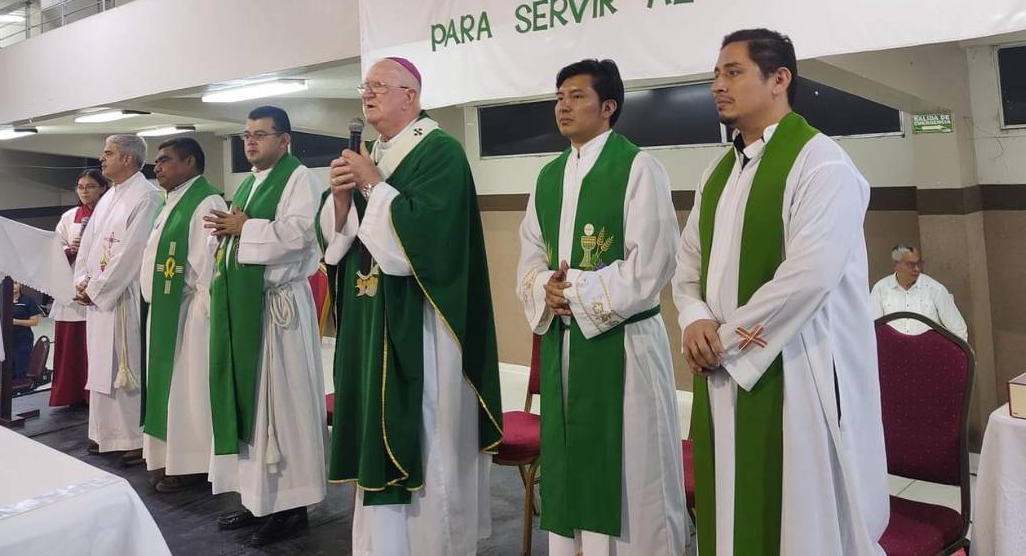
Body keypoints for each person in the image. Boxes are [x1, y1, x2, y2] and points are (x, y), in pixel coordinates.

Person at [672, 29, 889, 556]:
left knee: (799, 522)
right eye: (715, 75)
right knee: (729, 509)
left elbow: (808, 276)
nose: (717, 85)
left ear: (780, 79)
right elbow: (687, 265)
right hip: (724, 370)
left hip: (797, 372)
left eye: (733, 71)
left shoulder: (822, 163)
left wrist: (725, 339)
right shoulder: (718, 172)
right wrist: (694, 318)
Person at [320, 57, 502, 556]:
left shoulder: (439, 152)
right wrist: (340, 202)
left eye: (379, 86)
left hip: (420, 327)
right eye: (365, 87)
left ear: (411, 96)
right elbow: (340, 248)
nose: (368, 94)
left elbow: (421, 243)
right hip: (370, 320)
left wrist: (373, 185)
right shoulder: (372, 153)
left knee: (427, 439)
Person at [516, 59, 686, 556]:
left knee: (634, 476)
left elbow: (653, 262)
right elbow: (529, 257)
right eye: (559, 96)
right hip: (566, 347)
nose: (563, 106)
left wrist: (575, 292)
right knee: (573, 465)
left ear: (608, 107)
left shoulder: (638, 168)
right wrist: (545, 285)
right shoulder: (548, 177)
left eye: (577, 96)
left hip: (624, 347)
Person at [207, 106, 326, 547]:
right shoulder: (250, 182)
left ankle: (292, 506)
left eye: (260, 135)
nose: (250, 142)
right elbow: (242, 236)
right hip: (247, 306)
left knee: (284, 409)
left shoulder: (300, 179)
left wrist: (244, 227)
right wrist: (224, 233)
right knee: (255, 409)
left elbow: (300, 236)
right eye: (245, 135)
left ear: (285, 140)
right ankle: (259, 498)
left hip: (280, 313)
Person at [140, 137, 226, 491]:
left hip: (191, 316)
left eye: (166, 160)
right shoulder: (171, 200)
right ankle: (170, 458)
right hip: (166, 312)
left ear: (190, 162)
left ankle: (192, 464)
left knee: (190, 393)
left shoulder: (205, 200)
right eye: (157, 161)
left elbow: (210, 267)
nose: (157, 167)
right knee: (172, 392)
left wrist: (206, 318)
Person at [73, 134, 162, 466]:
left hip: (124, 296)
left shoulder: (147, 196)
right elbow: (88, 245)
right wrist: (82, 280)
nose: (102, 158)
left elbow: (134, 252)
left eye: (108, 153)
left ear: (128, 159)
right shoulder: (110, 196)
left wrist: (97, 288)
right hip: (99, 296)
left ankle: (134, 438)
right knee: (101, 366)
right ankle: (104, 432)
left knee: (125, 366)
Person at [51, 168, 109, 406]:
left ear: (103, 188)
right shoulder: (69, 217)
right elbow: (53, 251)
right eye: (81, 187)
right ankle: (71, 392)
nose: (85, 191)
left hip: (101, 285)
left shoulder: (110, 213)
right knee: (72, 347)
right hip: (73, 286)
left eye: (91, 186)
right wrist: (70, 249)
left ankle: (93, 394)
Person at [870, 244, 968, 340]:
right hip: (892, 351)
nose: (917, 269)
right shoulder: (880, 289)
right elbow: (872, 327)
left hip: (926, 351)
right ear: (895, 265)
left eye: (919, 264)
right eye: (910, 265)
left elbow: (958, 329)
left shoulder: (935, 289)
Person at [10, 281, 42, 380]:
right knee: (9, 371)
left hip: (23, 340)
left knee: (21, 370)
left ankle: (23, 392)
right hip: (6, 341)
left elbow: (34, 322)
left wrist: (15, 322)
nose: (13, 286)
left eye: (15, 283)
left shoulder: (28, 301)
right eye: (10, 283)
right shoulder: (2, 301)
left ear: (21, 285)